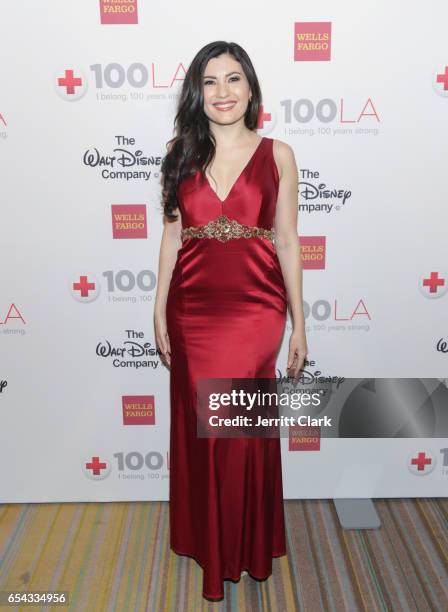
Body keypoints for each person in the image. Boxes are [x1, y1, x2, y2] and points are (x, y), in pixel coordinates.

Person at [154, 40, 308, 602]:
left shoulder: (280, 154)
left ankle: (243, 543)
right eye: (211, 81)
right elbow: (172, 235)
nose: (223, 92)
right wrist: (157, 308)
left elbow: (288, 241)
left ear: (251, 89)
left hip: (256, 307)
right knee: (204, 432)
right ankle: (212, 541)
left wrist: (300, 320)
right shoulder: (178, 153)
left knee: (237, 431)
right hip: (192, 306)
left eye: (234, 79)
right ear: (198, 91)